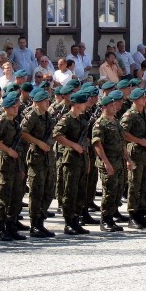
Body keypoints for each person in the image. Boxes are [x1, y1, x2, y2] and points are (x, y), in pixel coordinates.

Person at [92, 91, 133, 232]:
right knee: (109, 191)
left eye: (115, 105)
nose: (115, 107)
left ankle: (112, 216)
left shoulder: (115, 121)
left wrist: (128, 159)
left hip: (119, 161)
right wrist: (106, 163)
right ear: (104, 107)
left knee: (117, 190)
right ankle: (105, 219)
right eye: (111, 105)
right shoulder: (100, 124)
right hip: (109, 161)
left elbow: (122, 143)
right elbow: (98, 145)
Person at [54, 90, 91, 236]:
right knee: (70, 192)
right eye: (83, 103)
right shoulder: (67, 119)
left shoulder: (82, 119)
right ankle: (68, 222)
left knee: (80, 192)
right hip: (70, 160)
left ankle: (76, 219)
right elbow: (56, 134)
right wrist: (72, 145)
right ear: (76, 104)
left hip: (81, 159)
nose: (85, 105)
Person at [20, 89, 57, 238]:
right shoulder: (32, 115)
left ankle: (41, 220)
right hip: (36, 156)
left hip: (48, 157)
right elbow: (23, 132)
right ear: (36, 102)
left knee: (48, 190)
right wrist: (39, 143)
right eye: (44, 101)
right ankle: (34, 224)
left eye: (48, 100)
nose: (47, 103)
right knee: (36, 191)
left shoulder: (48, 116)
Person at [0, 91, 26, 241]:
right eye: (12, 107)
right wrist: (8, 150)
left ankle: (11, 226)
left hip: (16, 163)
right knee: (3, 196)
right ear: (5, 107)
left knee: (16, 196)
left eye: (16, 106)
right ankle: (1, 227)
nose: (15, 109)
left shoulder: (15, 122)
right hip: (5, 162)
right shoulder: (2, 120)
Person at [120, 87, 146, 229]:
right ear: (135, 100)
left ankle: (142, 212)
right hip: (135, 152)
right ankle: (133, 216)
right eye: (142, 98)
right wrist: (139, 141)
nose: (145, 99)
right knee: (134, 184)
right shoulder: (129, 115)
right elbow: (123, 133)